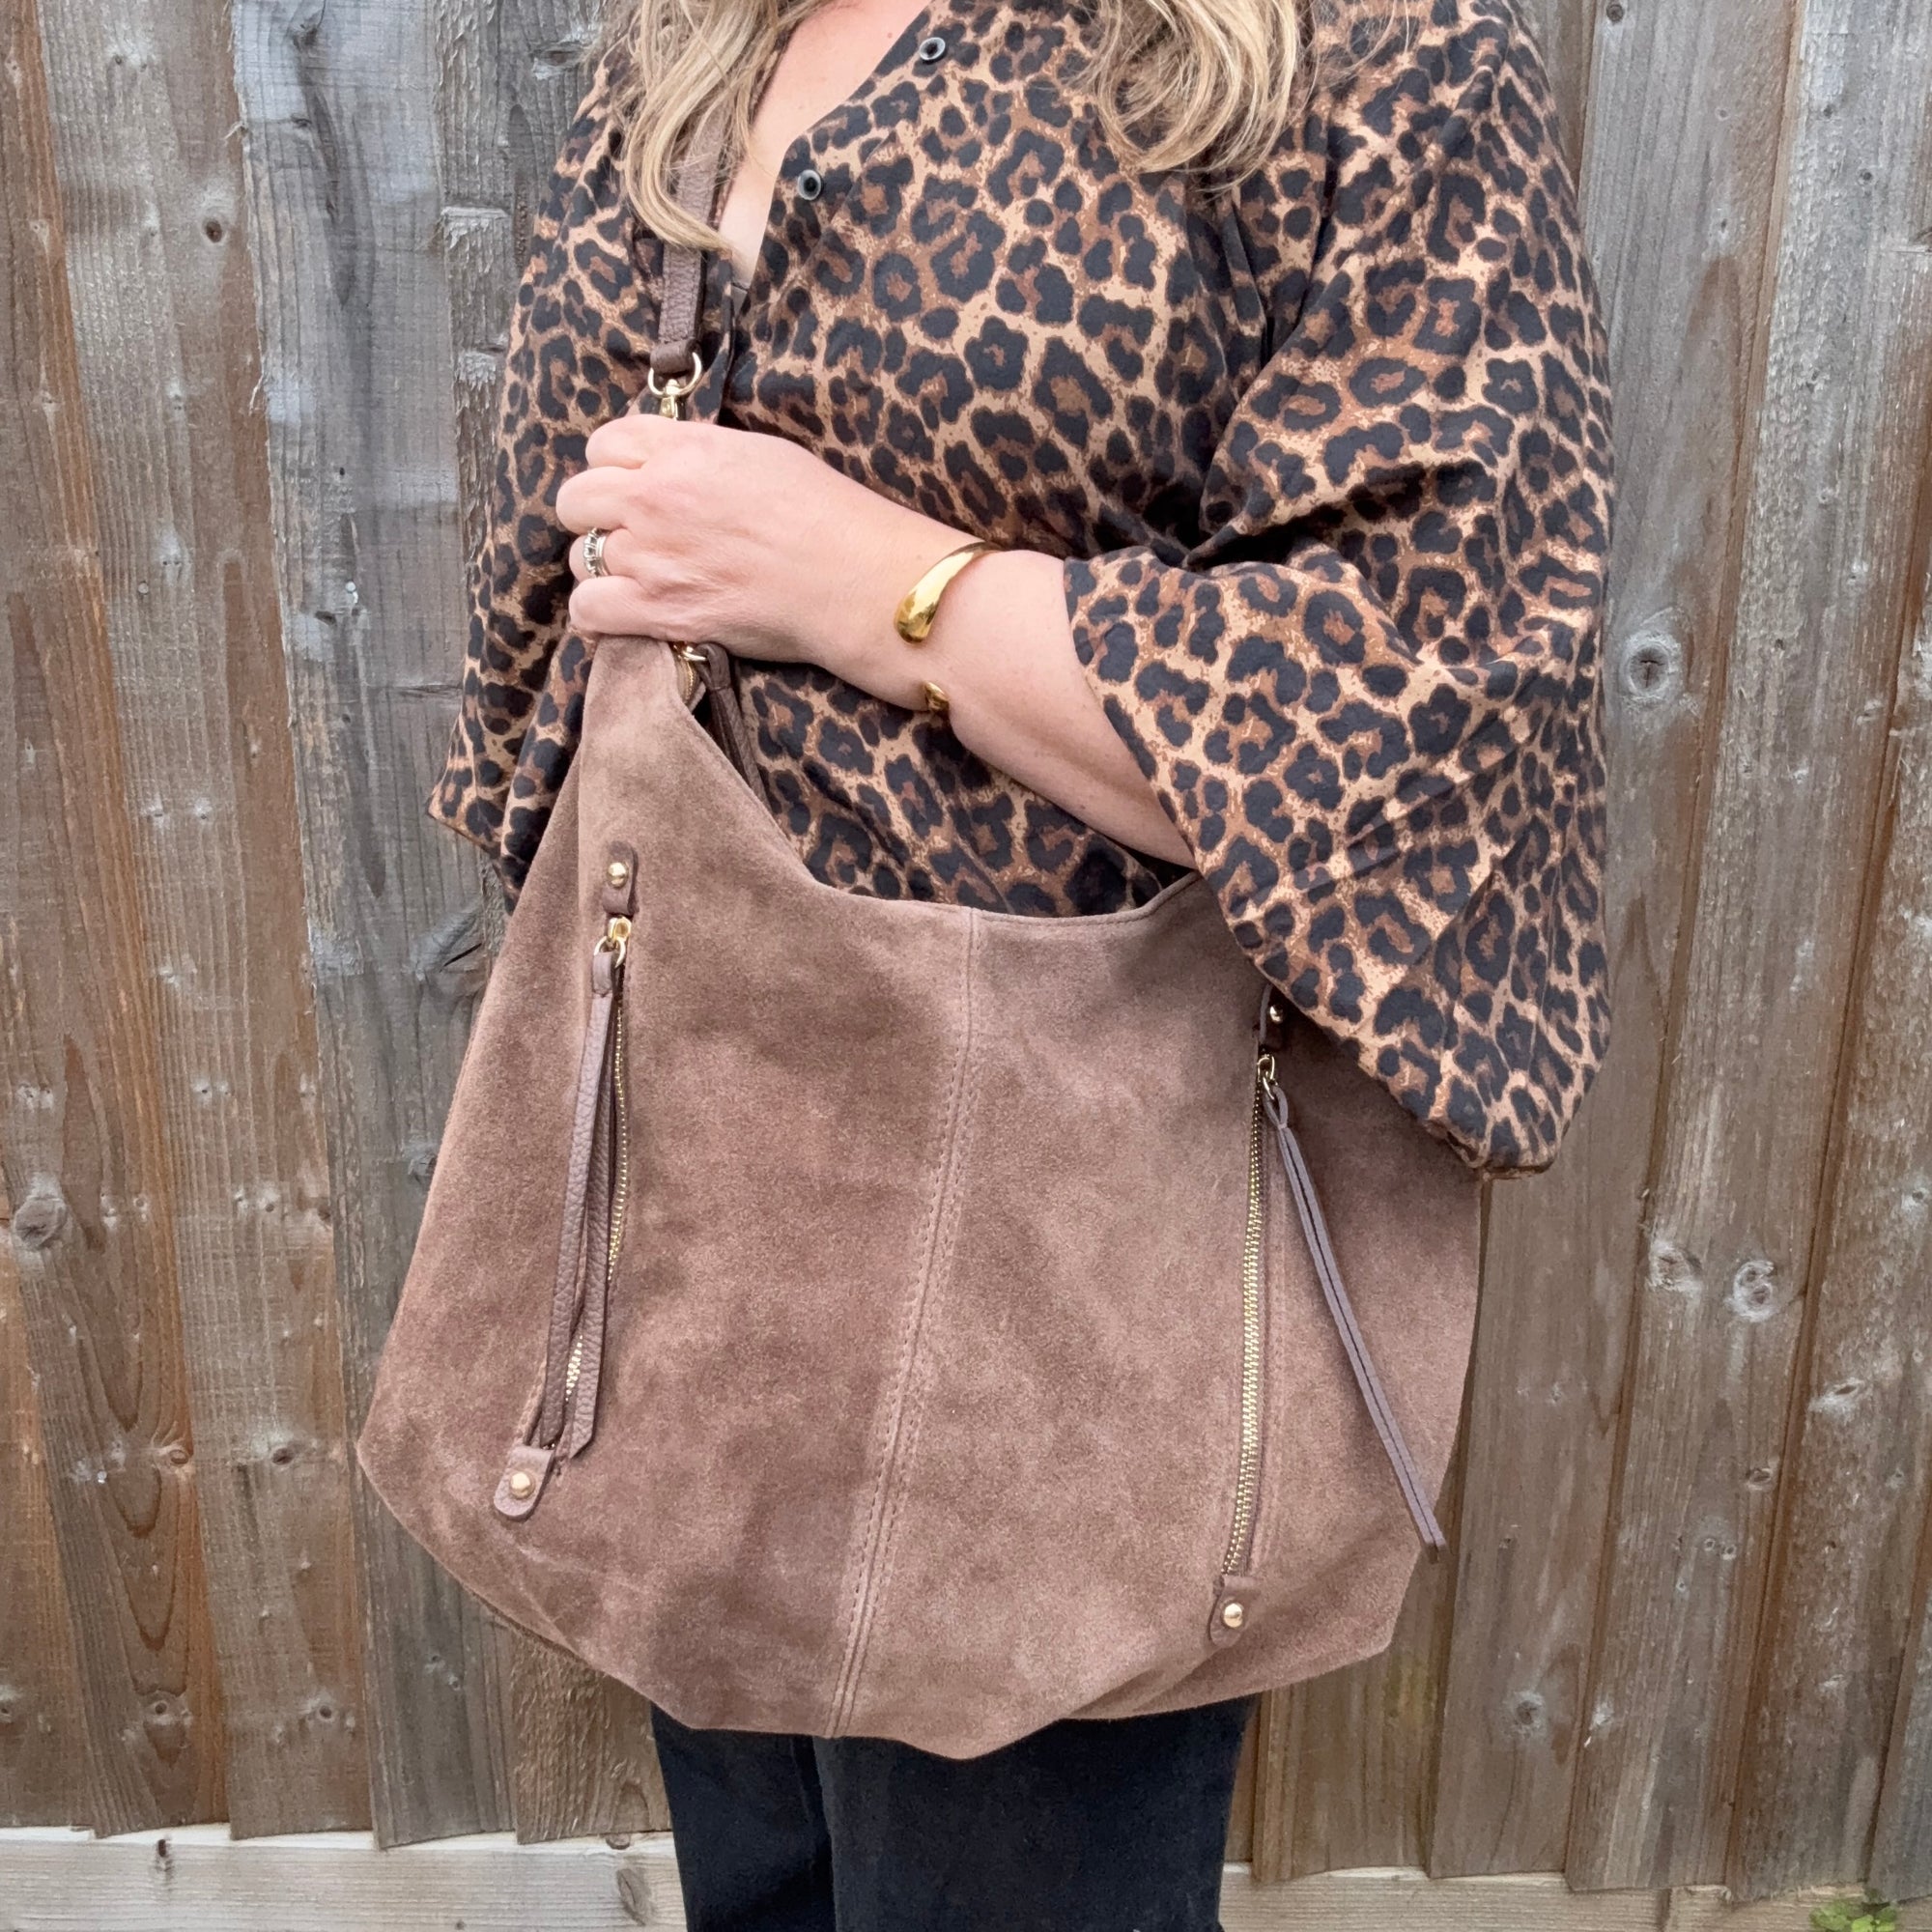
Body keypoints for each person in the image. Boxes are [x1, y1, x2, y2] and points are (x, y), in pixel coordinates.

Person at [423, 0, 1614, 1918]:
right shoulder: (697, 30)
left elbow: (1423, 701)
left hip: (1053, 1243)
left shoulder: (1367, 48)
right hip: (695, 1187)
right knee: (764, 1879)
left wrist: (873, 586)